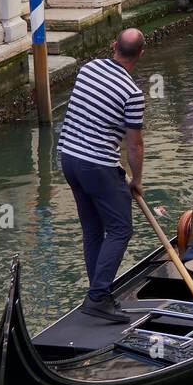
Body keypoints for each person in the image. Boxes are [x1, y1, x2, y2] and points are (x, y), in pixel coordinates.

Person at [59, 29, 148, 323]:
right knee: (121, 229)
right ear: (141, 55)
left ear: (113, 46)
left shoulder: (88, 68)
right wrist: (136, 179)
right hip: (96, 166)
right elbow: (134, 144)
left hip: (68, 159)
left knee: (93, 229)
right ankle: (97, 297)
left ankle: (99, 291)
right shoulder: (133, 93)